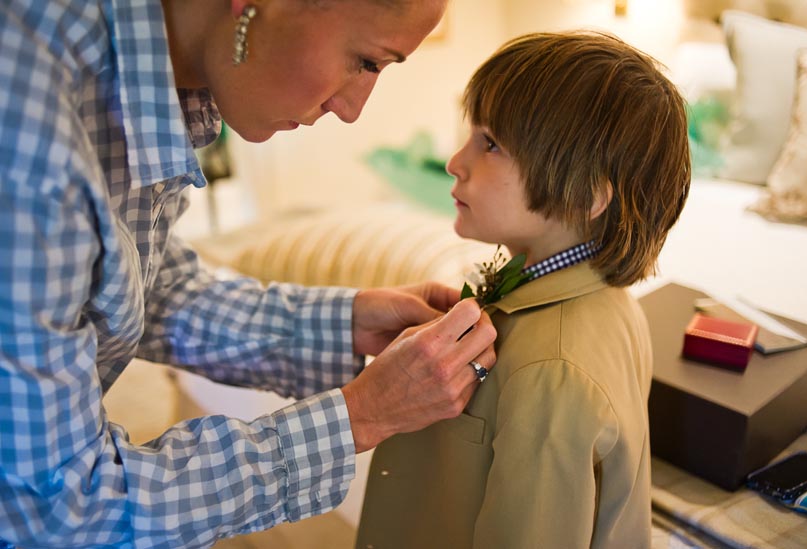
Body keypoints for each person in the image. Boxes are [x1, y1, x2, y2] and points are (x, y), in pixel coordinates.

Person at [0, 0, 498, 547]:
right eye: (367, 61)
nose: (353, 109)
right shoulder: (28, 131)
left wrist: (345, 321)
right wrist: (360, 417)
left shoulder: (157, 87)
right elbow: (57, 508)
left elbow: (151, 288)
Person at [356, 31, 691, 548]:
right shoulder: (607, 299)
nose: (454, 162)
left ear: (586, 195)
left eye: (490, 144)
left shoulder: (551, 372)